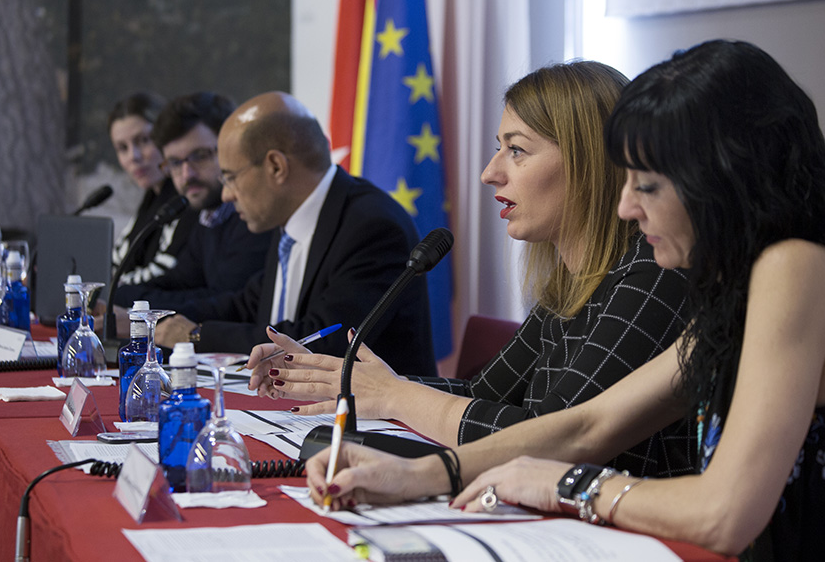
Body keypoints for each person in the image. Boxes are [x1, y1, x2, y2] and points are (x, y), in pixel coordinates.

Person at [305, 41, 825, 561]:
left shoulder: (794, 269)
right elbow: (590, 424)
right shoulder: (738, 289)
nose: (626, 206)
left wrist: (566, 485)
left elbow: (724, 513)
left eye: (646, 184)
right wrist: (417, 475)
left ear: (720, 178)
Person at [249, 62, 693, 478]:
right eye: (499, 148)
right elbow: (484, 395)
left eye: (516, 150)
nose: (489, 173)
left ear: (588, 163)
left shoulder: (655, 273)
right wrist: (347, 379)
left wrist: (395, 396)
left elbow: (551, 434)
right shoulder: (569, 282)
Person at [152, 91, 437, 376]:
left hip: (372, 404)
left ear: (276, 167)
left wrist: (196, 336)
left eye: (231, 178)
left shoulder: (372, 226)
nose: (226, 195)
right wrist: (149, 319)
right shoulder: (288, 218)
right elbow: (246, 305)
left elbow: (324, 342)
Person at [110, 92, 273, 324]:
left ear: (230, 149)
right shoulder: (208, 217)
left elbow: (227, 304)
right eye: (175, 163)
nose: (187, 174)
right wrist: (115, 294)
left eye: (200, 156)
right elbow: (178, 282)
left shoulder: (255, 217)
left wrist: (137, 312)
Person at [108, 92, 195, 285]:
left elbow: (166, 273)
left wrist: (111, 288)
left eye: (144, 140)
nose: (134, 156)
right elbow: (115, 262)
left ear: (168, 137)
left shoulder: (188, 196)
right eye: (122, 148)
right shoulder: (150, 199)